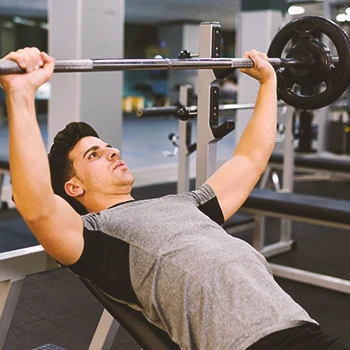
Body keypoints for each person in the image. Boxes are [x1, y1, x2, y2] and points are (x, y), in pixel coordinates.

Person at [1, 47, 349, 350]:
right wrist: (20, 95)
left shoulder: (187, 204)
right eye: (93, 155)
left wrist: (269, 82)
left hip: (308, 332)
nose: (112, 151)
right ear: (74, 187)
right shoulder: (96, 238)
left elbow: (249, 159)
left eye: (108, 146)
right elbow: (38, 207)